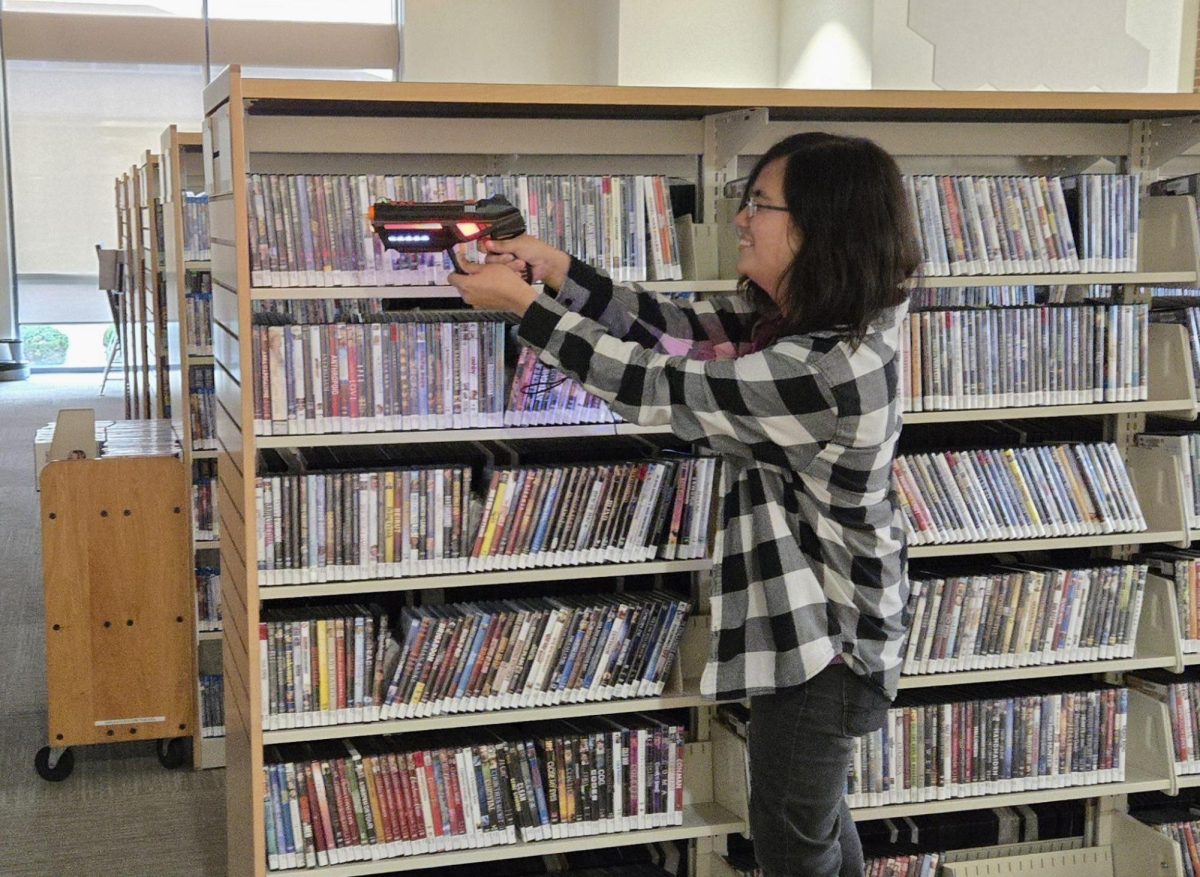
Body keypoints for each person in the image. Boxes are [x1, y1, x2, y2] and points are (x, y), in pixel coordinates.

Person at [447, 131, 920, 877]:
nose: (740, 219)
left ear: (818, 226)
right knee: (813, 827)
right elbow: (679, 333)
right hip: (822, 635)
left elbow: (661, 386)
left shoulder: (823, 368)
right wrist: (561, 274)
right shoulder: (807, 331)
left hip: (827, 647)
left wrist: (528, 311)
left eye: (759, 204)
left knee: (793, 840)